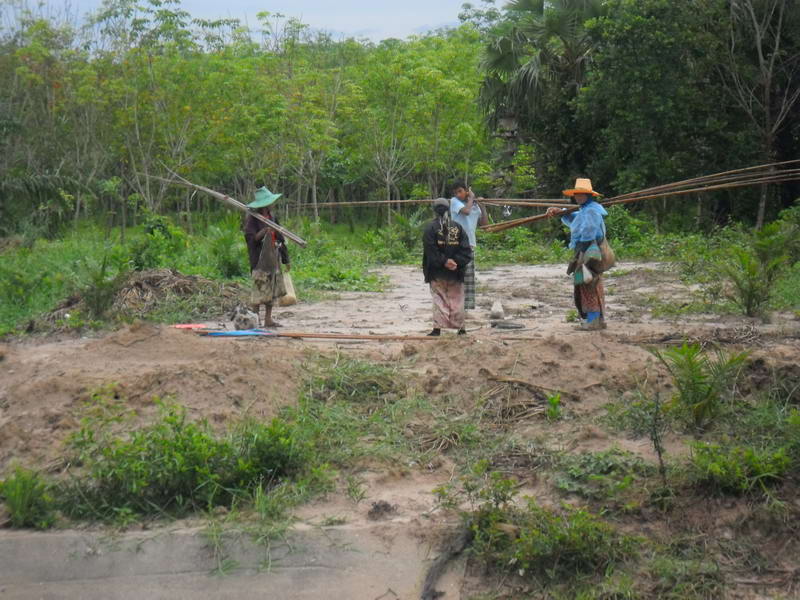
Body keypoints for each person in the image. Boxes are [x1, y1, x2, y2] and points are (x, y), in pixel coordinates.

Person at [546, 178, 609, 331]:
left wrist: (582, 255)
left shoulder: (592, 210)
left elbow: (588, 232)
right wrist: (561, 213)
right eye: (577, 194)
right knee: (587, 285)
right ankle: (594, 319)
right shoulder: (585, 209)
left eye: (582, 194)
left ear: (589, 195)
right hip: (587, 250)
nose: (578, 197)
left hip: (590, 251)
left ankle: (594, 321)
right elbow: (575, 222)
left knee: (589, 285)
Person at [423, 198, 474, 336]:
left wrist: (444, 261)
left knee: (439, 298)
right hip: (456, 272)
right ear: (448, 210)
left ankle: (437, 329)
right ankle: (461, 329)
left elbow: (431, 251)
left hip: (436, 272)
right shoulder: (458, 227)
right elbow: (466, 251)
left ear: (434, 210)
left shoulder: (429, 228)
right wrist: (455, 262)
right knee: (457, 298)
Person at [243, 186, 290, 328]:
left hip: (273, 257)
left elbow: (280, 237)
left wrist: (285, 258)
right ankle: (255, 320)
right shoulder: (252, 219)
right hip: (259, 260)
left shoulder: (272, 217)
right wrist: (264, 231)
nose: (272, 204)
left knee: (272, 290)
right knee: (259, 290)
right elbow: (251, 239)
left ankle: (268, 319)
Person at [449, 181, 488, 310]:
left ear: (466, 190)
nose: (458, 194)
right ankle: (454, 306)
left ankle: (466, 307)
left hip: (469, 245)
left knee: (469, 277)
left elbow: (485, 225)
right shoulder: (455, 202)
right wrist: (471, 198)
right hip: (456, 245)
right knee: (456, 276)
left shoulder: (474, 206)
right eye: (455, 192)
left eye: (460, 191)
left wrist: (482, 206)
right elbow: (466, 211)